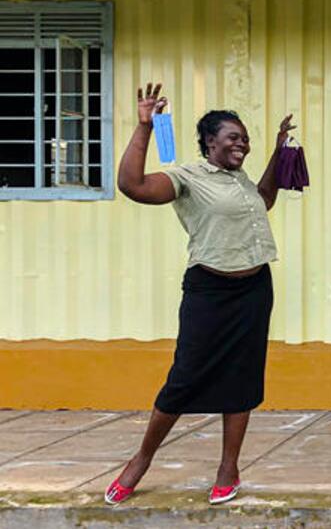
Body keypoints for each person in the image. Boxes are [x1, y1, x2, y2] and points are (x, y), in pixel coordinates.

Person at [105, 83, 295, 505]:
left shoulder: (239, 179)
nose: (241, 144)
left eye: (245, 139)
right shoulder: (187, 177)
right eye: (233, 138)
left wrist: (279, 151)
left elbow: (263, 198)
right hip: (209, 291)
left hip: (254, 289)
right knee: (185, 376)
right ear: (211, 142)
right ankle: (142, 459)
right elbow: (131, 184)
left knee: (243, 376)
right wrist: (144, 127)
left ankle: (229, 468)